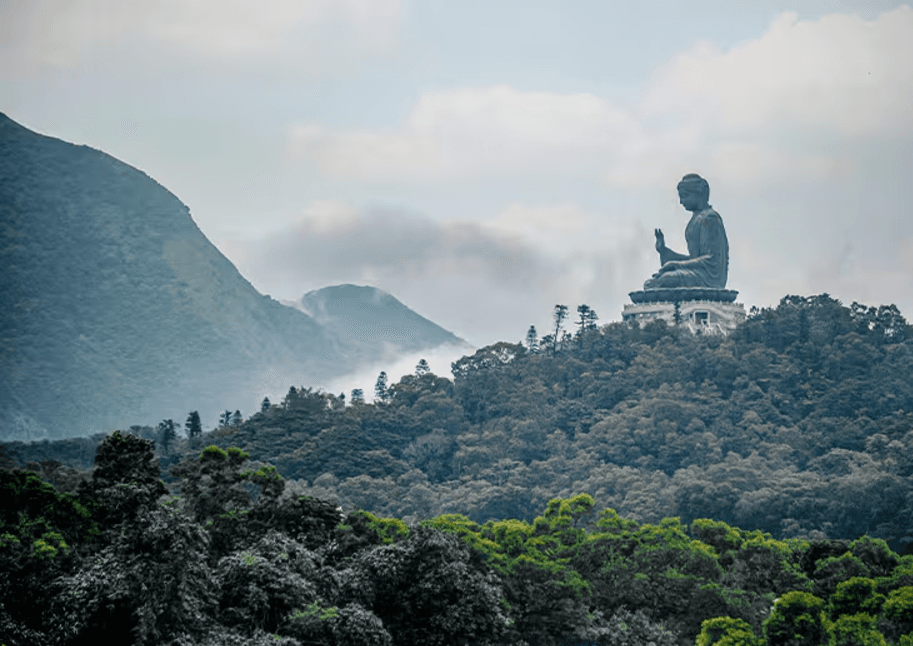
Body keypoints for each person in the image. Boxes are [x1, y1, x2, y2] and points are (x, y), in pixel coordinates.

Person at [644, 173, 729, 290]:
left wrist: (676, 265)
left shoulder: (710, 218)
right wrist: (664, 251)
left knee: (665, 280)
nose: (681, 201)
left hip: (710, 278)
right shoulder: (696, 220)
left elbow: (711, 259)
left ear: (699, 193)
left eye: (684, 196)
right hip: (698, 272)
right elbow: (694, 260)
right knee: (655, 281)